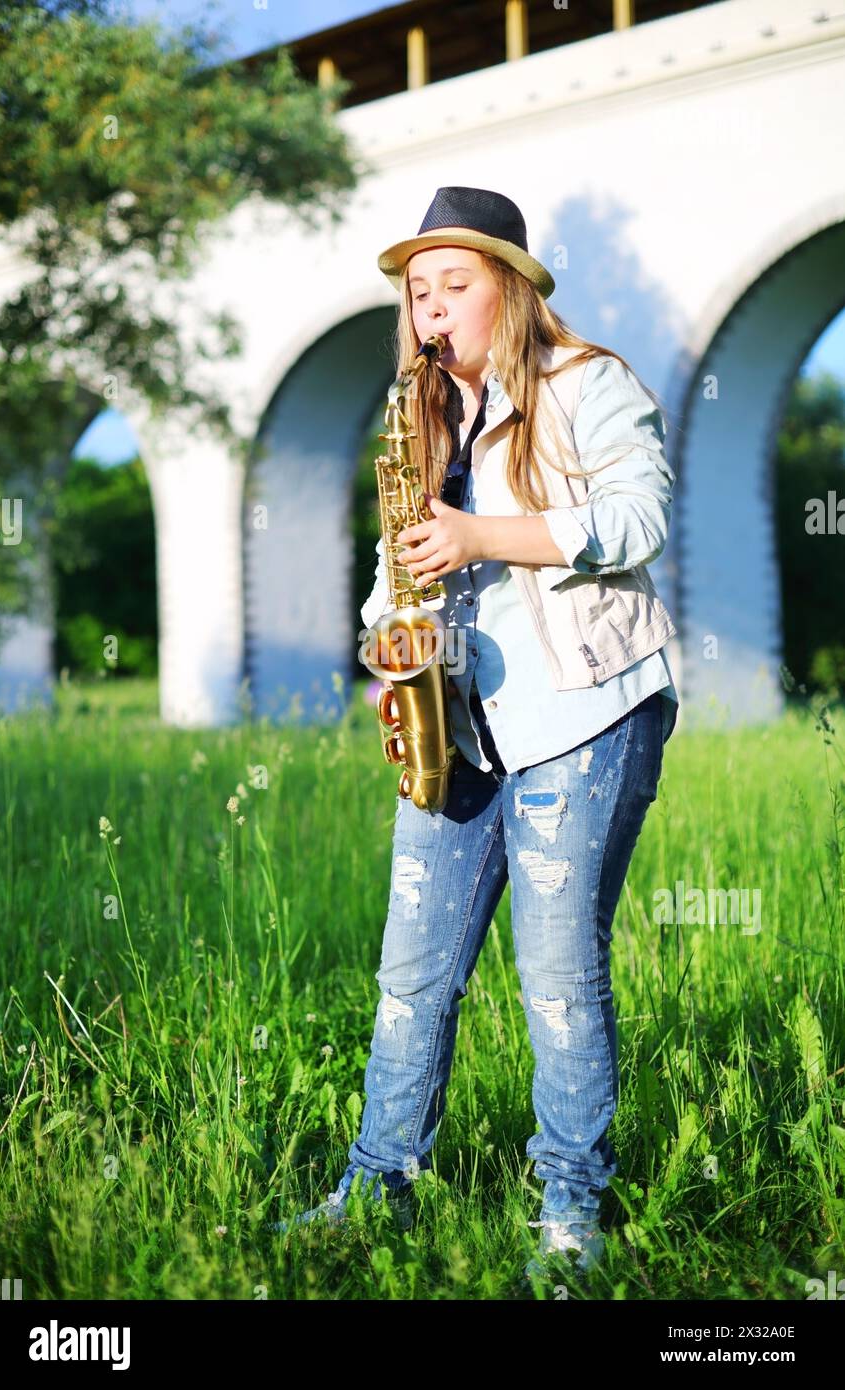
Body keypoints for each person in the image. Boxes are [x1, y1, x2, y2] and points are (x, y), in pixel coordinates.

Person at [271, 186, 679, 1286]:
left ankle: (569, 1207)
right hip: (454, 722)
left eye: (456, 282)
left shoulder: (589, 382)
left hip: (584, 713)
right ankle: (374, 1186)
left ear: (510, 286)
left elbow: (640, 517)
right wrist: (383, 650)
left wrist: (479, 532)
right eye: (418, 291)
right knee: (410, 975)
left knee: (553, 975)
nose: (434, 305)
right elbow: (393, 568)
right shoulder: (417, 416)